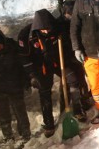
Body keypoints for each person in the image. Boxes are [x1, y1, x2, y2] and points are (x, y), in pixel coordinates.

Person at [18, 9, 89, 137]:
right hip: (41, 66)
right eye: (43, 30)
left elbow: (69, 44)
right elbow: (24, 58)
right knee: (44, 91)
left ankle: (78, 110)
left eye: (47, 29)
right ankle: (49, 122)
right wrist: (32, 75)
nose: (46, 31)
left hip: (58, 61)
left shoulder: (58, 28)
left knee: (73, 80)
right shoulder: (26, 35)